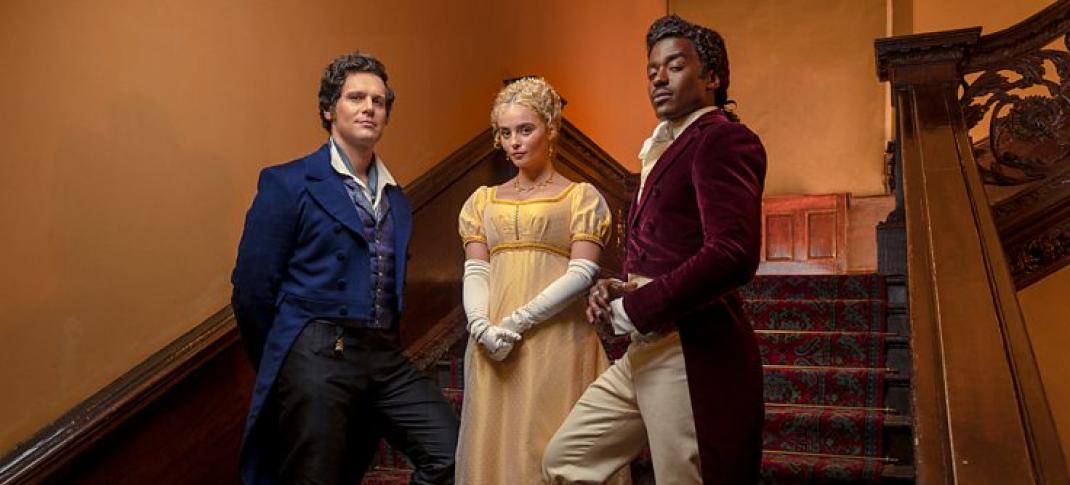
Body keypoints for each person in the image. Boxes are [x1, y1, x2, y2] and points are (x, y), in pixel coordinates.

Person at [543, 15, 767, 484]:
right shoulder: (665, 149)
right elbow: (666, 253)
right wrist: (621, 285)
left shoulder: (723, 138)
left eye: (675, 66)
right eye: (651, 71)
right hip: (645, 345)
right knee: (567, 460)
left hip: (690, 345)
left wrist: (635, 307)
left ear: (713, 77)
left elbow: (733, 251)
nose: (659, 79)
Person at [231, 51, 459, 485]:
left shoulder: (396, 198)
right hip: (315, 350)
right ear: (329, 108)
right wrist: (288, 358)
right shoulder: (289, 182)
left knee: (450, 453)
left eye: (379, 100)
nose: (370, 107)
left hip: (383, 355)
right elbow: (251, 290)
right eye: (356, 97)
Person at [455, 77, 629, 484]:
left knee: (547, 443)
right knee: (494, 448)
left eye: (525, 129)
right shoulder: (482, 200)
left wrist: (518, 322)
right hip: (491, 341)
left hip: (557, 340)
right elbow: (476, 269)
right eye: (505, 132)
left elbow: (583, 273)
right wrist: (480, 325)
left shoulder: (580, 198)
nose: (514, 142)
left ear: (550, 130)